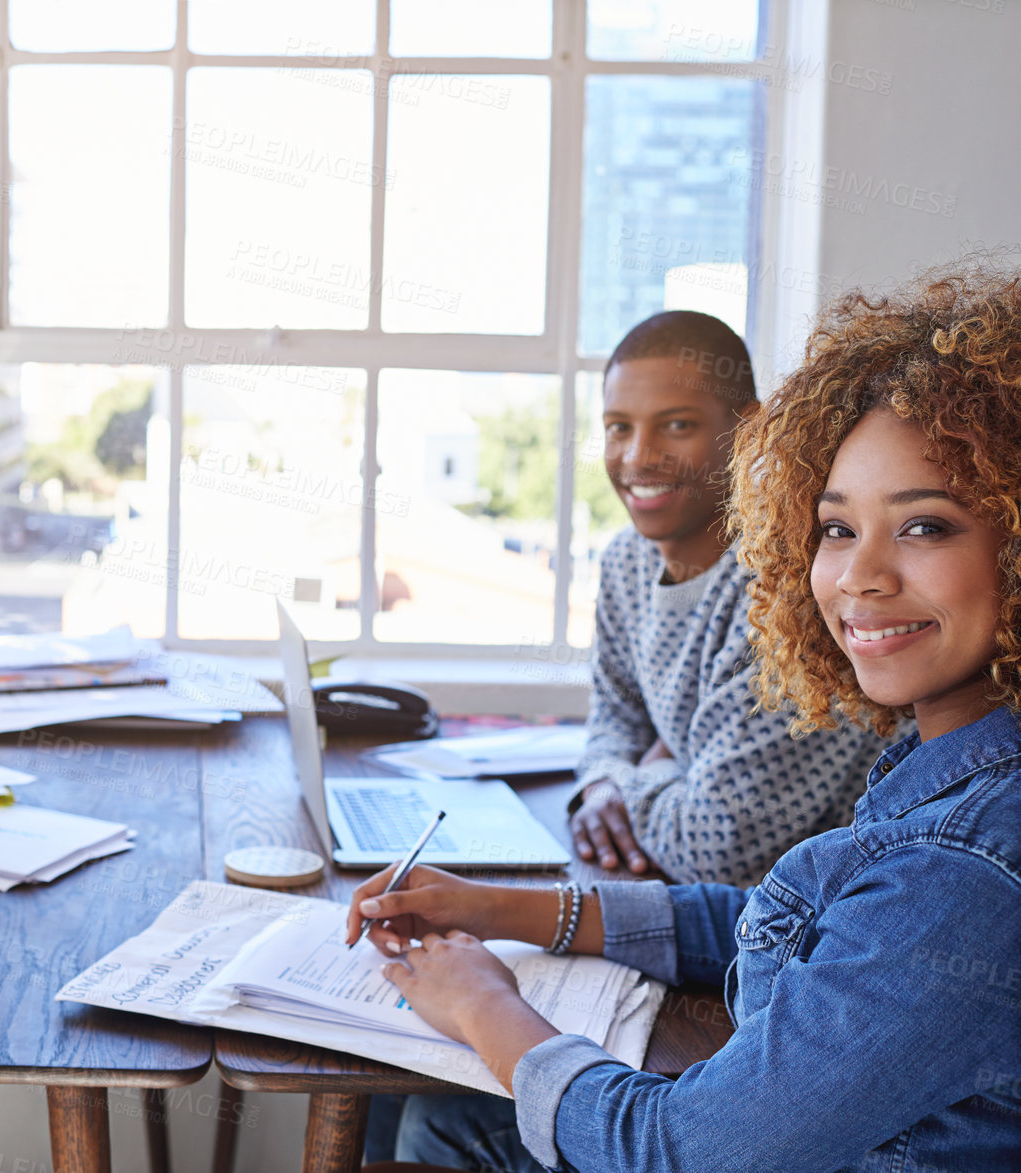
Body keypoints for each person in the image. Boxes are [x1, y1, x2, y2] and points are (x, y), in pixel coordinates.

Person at [350, 267, 1021, 1171]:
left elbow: (679, 1150)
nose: (859, 575)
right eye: (833, 527)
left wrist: (482, 1003)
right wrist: (498, 906)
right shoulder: (946, 763)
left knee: (435, 1112)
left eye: (924, 526)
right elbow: (779, 918)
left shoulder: (962, 869)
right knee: (424, 1105)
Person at [568, 310, 893, 885]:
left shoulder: (793, 586)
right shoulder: (625, 562)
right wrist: (604, 783)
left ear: (747, 431)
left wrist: (638, 775)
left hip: (811, 923)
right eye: (619, 426)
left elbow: (719, 845)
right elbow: (614, 717)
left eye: (675, 425)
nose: (639, 456)